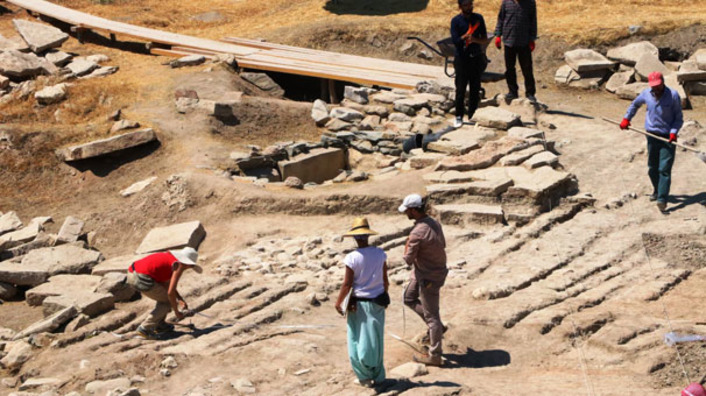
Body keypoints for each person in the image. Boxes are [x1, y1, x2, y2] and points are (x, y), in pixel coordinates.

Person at [334, 218, 389, 387]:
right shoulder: (380, 254)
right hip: (378, 301)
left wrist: (339, 302)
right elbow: (385, 280)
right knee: (377, 339)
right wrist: (383, 295)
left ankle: (364, 376)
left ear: (356, 238)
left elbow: (347, 284)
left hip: (359, 304)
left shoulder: (352, 257)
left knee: (357, 339)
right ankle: (378, 375)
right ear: (367, 236)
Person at [619, 71, 683, 213]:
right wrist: (627, 119)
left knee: (664, 169)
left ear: (662, 83)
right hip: (651, 135)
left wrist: (673, 132)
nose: (656, 89)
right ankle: (657, 190)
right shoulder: (646, 94)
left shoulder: (673, 95)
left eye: (658, 86)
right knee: (652, 168)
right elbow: (634, 105)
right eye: (653, 86)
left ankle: (662, 199)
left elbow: (678, 118)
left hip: (667, 137)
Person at [399, 194, 448, 366]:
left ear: (413, 210)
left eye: (407, 210)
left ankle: (435, 355)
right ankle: (438, 328)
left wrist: (408, 242)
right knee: (408, 297)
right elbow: (442, 244)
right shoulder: (434, 223)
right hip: (432, 271)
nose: (406, 213)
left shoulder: (417, 233)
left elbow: (407, 259)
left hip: (428, 276)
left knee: (432, 316)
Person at [126, 246, 203, 339]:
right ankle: (144, 329)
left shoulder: (171, 259)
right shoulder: (179, 265)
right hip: (141, 278)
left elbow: (167, 284)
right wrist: (176, 312)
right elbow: (170, 293)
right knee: (166, 302)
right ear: (187, 263)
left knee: (164, 298)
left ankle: (159, 324)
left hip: (132, 272)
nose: (189, 268)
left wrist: (179, 299)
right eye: (191, 266)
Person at [451, 0, 491, 128]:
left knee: (475, 88)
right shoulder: (456, 21)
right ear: (460, 6)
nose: (469, 7)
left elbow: (484, 38)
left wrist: (474, 39)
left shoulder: (478, 18)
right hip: (461, 59)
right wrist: (464, 37)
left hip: (476, 58)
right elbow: (455, 40)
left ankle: (472, 115)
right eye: (466, 5)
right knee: (460, 89)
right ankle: (458, 116)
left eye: (470, 4)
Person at [494, 0, 537, 102]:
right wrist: (498, 35)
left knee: (527, 69)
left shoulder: (530, 2)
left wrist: (532, 39)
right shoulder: (506, 2)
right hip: (509, 41)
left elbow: (533, 21)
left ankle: (530, 93)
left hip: (524, 41)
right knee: (510, 68)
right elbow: (501, 19)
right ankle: (512, 92)